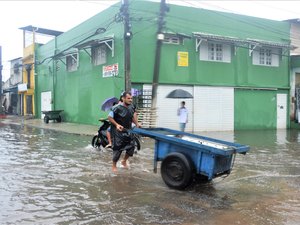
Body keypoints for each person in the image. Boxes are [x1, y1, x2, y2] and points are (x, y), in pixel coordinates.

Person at [108, 91, 141, 172]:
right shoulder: (116, 107)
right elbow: (109, 117)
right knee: (118, 149)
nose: (130, 100)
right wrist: (116, 125)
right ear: (123, 98)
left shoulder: (131, 107)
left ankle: (124, 161)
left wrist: (136, 123)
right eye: (128, 98)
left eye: (131, 98)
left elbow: (131, 116)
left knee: (131, 147)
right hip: (118, 132)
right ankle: (114, 166)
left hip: (128, 130)